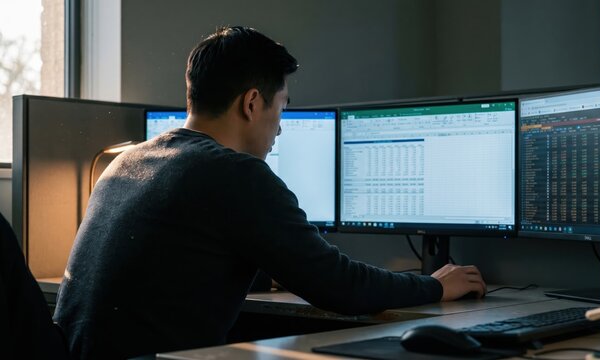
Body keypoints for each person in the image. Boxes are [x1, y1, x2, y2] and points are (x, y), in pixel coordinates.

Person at [54, 26, 486, 359]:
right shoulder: (236, 174)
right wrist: (434, 286)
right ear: (252, 103)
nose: (279, 126)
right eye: (281, 107)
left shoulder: (126, 162)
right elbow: (340, 287)